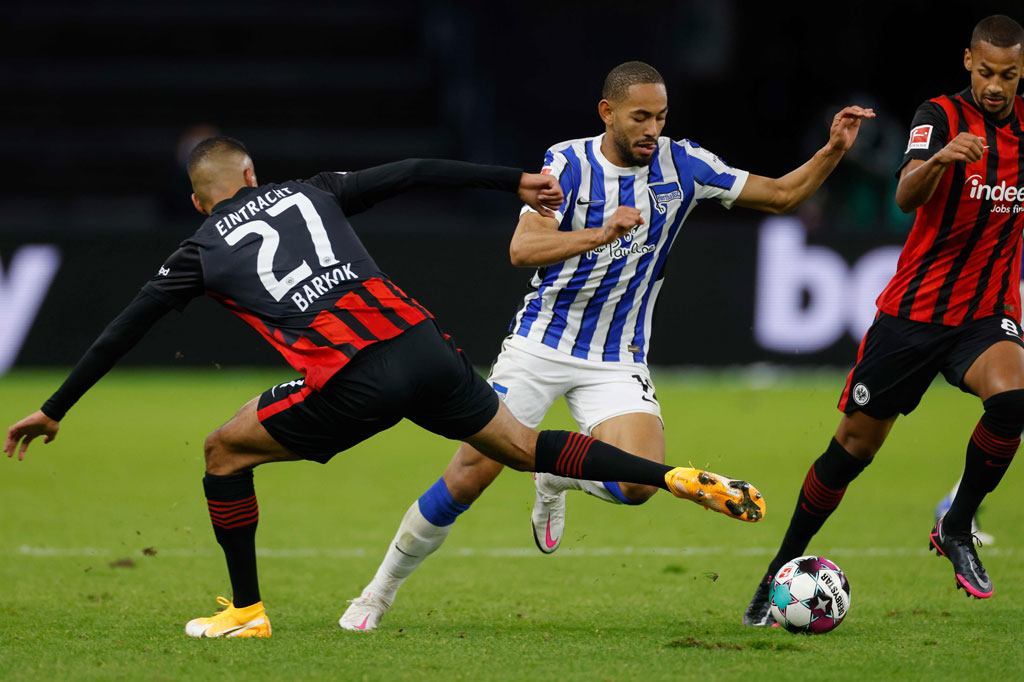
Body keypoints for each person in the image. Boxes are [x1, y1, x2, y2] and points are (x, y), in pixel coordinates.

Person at [3, 137, 767, 639]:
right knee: (524, 446)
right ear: (250, 178)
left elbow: (124, 328)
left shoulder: (198, 246)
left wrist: (55, 407)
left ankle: (245, 610)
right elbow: (413, 172)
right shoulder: (310, 190)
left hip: (351, 378)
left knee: (224, 450)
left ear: (204, 200)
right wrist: (517, 181)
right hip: (424, 344)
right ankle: (670, 475)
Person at [340, 60, 874, 632]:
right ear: (608, 112)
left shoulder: (684, 163)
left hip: (618, 357)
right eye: (640, 117)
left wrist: (833, 149)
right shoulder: (566, 163)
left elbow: (781, 196)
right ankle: (377, 593)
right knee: (470, 472)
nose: (652, 129)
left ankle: (557, 474)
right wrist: (599, 234)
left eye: (661, 117)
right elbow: (523, 248)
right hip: (541, 344)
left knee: (641, 483)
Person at [744, 15, 1024, 626]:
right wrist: (944, 160)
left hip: (987, 313)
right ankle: (779, 570)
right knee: (851, 450)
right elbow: (905, 196)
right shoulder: (940, 117)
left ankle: (956, 526)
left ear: (1021, 71)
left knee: (1013, 400)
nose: (996, 85)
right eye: (985, 72)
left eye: (1008, 74)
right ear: (968, 63)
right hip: (913, 315)